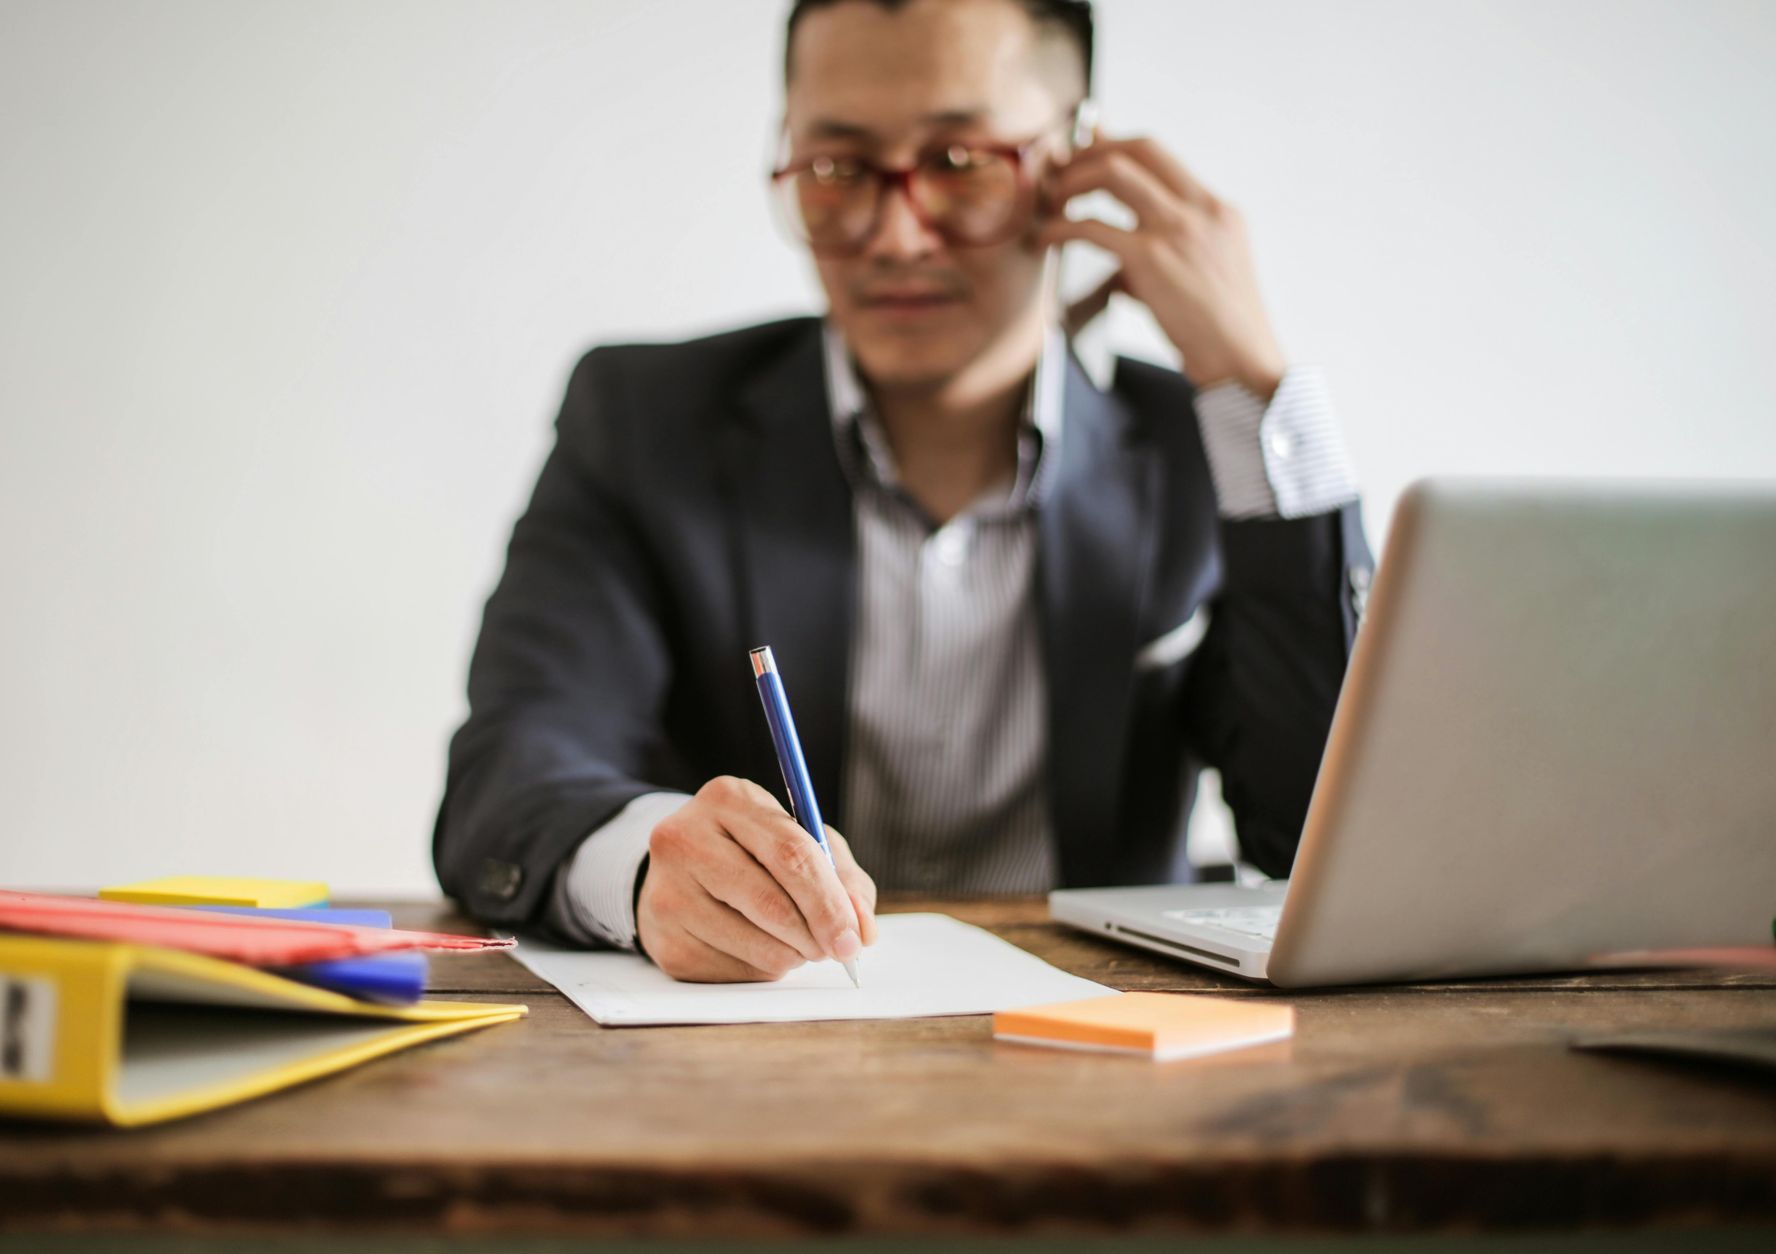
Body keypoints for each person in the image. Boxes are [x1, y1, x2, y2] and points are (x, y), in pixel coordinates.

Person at [435, 0, 1373, 982]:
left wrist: (1255, 390)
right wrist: (645, 864)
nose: (894, 233)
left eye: (960, 161)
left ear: (1077, 161)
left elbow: (1328, 834)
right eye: (837, 168)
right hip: (748, 1063)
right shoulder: (642, 421)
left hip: (1111, 1056)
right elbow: (511, 772)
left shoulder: (1206, 449)